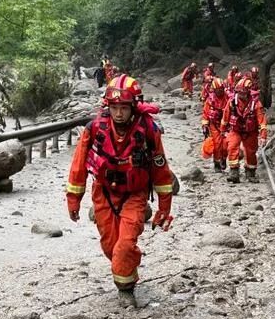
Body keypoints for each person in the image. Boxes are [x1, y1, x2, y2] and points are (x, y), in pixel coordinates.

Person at [66, 74, 175, 304]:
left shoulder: (148, 130)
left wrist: (164, 207)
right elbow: (78, 166)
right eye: (115, 107)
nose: (118, 113)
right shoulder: (94, 128)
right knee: (110, 246)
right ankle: (127, 273)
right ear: (108, 106)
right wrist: (74, 199)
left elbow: (161, 170)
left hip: (135, 195)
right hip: (104, 192)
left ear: (133, 106)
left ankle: (125, 289)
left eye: (124, 108)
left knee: (124, 245)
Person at [220, 77, 268, 183]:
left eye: (242, 93)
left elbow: (262, 122)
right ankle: (234, 172)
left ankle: (250, 172)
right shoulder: (232, 102)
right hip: (235, 129)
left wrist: (263, 136)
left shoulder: (256, 104)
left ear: (247, 92)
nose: (240, 95)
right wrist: (222, 130)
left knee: (250, 151)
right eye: (239, 92)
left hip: (250, 132)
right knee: (232, 147)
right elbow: (225, 117)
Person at [201, 77, 229, 173]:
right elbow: (205, 113)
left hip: (226, 125)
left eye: (221, 89)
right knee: (217, 145)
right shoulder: (210, 100)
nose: (220, 92)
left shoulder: (228, 98)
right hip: (214, 125)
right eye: (218, 90)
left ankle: (224, 159)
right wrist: (205, 126)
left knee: (225, 145)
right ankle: (216, 164)